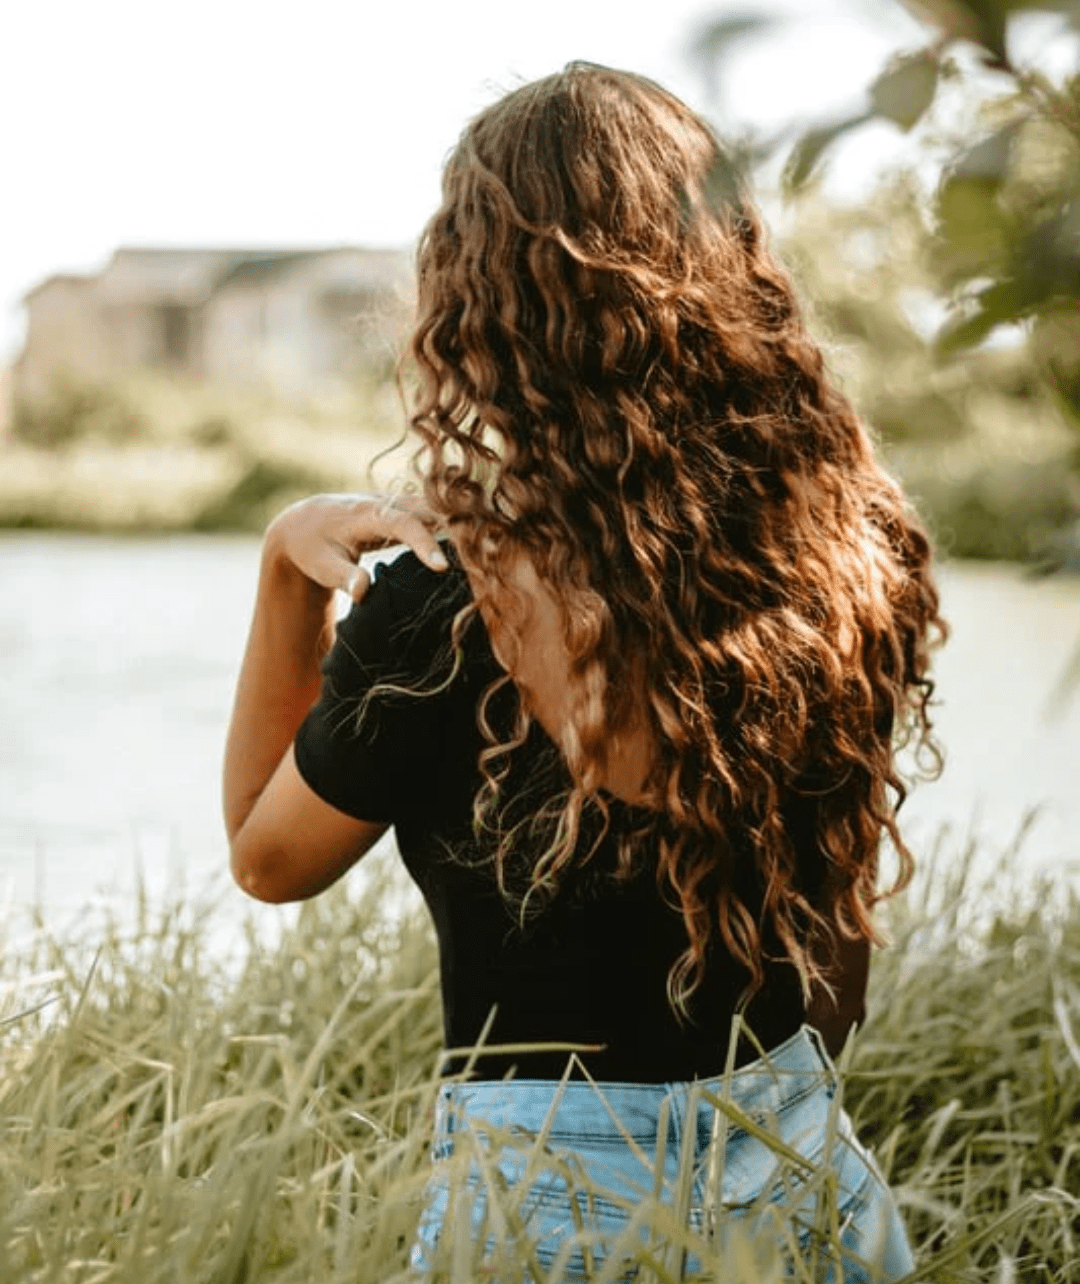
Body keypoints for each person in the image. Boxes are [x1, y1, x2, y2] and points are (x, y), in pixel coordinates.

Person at [223, 64, 944, 1281]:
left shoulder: (449, 601)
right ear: (728, 264)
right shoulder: (841, 556)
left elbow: (267, 857)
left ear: (477, 301)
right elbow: (840, 966)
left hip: (545, 1207)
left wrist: (285, 575)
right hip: (797, 1159)